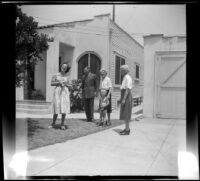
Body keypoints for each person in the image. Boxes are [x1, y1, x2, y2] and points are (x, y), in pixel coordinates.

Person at [49, 63, 71, 130]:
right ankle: (53, 123)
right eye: (63, 66)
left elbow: (70, 86)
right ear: (60, 66)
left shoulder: (67, 77)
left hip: (64, 93)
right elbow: (51, 83)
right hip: (57, 92)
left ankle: (62, 124)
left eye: (65, 67)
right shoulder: (56, 75)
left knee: (63, 108)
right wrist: (59, 83)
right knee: (57, 107)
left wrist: (66, 84)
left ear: (66, 69)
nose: (64, 67)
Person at [119, 65, 133, 135]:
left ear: (124, 71)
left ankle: (127, 130)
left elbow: (128, 89)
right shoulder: (125, 77)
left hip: (126, 96)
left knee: (126, 113)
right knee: (124, 113)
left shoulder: (128, 77)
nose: (120, 71)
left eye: (121, 70)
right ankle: (126, 128)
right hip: (124, 95)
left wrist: (124, 99)